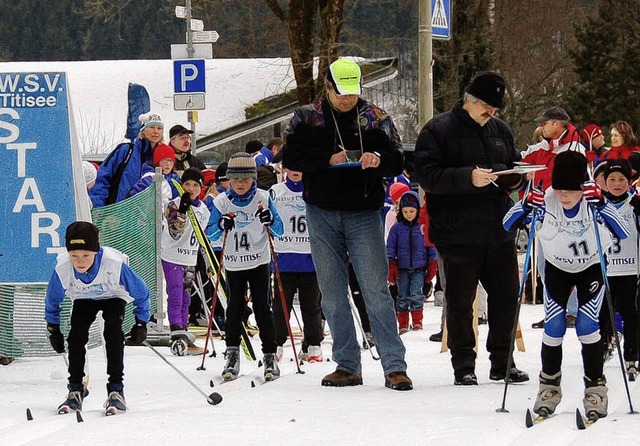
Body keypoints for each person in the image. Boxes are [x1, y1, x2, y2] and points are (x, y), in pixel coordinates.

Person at [283, 58, 412, 391]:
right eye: (341, 94)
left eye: (352, 93)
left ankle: (394, 365)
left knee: (375, 288)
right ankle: (347, 364)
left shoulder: (376, 118)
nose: (347, 99)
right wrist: (327, 160)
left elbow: (399, 157)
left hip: (363, 212)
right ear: (327, 88)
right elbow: (291, 158)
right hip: (321, 211)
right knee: (332, 291)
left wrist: (379, 160)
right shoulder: (306, 117)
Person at [414, 71, 528, 386]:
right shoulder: (438, 130)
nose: (491, 114)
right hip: (457, 232)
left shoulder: (500, 130)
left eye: (495, 109)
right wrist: (468, 177)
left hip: (498, 229)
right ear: (470, 100)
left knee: (506, 297)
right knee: (461, 301)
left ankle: (503, 362)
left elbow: (514, 165)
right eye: (487, 107)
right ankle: (464, 364)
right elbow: (427, 176)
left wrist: (518, 176)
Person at [503, 150, 630, 418]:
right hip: (557, 269)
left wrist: (603, 205)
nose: (565, 196)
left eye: (572, 190)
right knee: (554, 326)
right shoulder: (545, 200)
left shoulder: (592, 201)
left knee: (586, 326)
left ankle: (595, 387)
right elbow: (506, 224)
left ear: (583, 187)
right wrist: (526, 206)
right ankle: (549, 385)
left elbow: (623, 232)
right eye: (560, 189)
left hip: (591, 268)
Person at [44, 221, 150, 415]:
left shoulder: (114, 264)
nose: (80, 261)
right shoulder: (63, 268)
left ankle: (116, 390)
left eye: (86, 255)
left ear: (96, 251)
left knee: (113, 334)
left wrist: (141, 323)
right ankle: (76, 389)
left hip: (114, 296)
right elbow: (52, 300)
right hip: (84, 298)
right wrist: (53, 328)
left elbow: (141, 292)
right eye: (74, 255)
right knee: (76, 336)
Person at [205, 152, 284, 381]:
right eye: (235, 179)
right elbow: (210, 234)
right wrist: (221, 224)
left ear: (253, 179)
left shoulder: (263, 198)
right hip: (233, 262)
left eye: (245, 179)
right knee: (234, 308)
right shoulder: (221, 201)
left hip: (259, 261)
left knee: (262, 307)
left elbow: (279, 230)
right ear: (229, 179)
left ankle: (269, 355)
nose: (240, 184)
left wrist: (269, 219)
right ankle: (232, 354)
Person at [269, 169, 324, 363]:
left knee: (311, 305)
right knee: (281, 306)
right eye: (291, 167)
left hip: (310, 258)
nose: (295, 172)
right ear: (284, 169)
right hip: (284, 259)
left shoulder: (314, 189)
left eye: (300, 167)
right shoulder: (276, 191)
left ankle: (313, 344)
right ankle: (276, 344)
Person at [161, 167, 210, 354]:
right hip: (172, 255)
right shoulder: (173, 204)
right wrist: (182, 211)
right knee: (175, 293)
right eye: (187, 184)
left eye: (195, 185)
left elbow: (201, 235)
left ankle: (184, 330)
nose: (190, 188)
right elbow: (175, 232)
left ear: (201, 187)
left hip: (189, 256)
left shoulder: (203, 209)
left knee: (186, 296)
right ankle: (176, 331)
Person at [599, 159, 640, 377]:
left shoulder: (634, 203)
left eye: (621, 179)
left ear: (629, 181)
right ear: (604, 182)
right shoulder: (599, 204)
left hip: (630, 268)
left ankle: (632, 355)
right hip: (606, 269)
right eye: (612, 179)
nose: (616, 184)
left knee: (631, 313)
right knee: (603, 312)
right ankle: (603, 346)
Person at [90, 112, 164, 207]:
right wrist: (98, 206)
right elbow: (102, 177)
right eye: (151, 127)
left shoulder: (163, 157)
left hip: (146, 216)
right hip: (117, 211)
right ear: (143, 131)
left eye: (159, 128)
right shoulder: (125, 151)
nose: (156, 131)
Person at [387, 191, 435, 333]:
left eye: (412, 211)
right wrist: (391, 264)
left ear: (417, 210)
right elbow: (390, 247)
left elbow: (430, 245)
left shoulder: (422, 227)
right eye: (405, 211)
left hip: (419, 268)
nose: (409, 214)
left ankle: (417, 321)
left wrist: (432, 263)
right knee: (402, 296)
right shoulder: (396, 229)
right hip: (401, 268)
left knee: (416, 294)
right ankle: (402, 323)